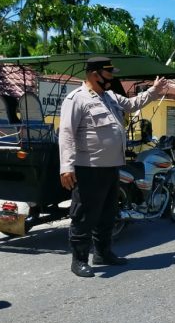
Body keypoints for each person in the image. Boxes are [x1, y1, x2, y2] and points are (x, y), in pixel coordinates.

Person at [59, 56, 168, 278]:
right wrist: (66, 167)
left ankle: (103, 253)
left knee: (108, 214)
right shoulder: (76, 99)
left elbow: (133, 104)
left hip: (111, 167)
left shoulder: (109, 97)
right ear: (93, 74)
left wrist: (154, 91)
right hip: (88, 168)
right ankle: (79, 260)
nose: (112, 77)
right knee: (84, 216)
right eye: (108, 73)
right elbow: (67, 134)